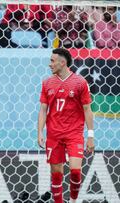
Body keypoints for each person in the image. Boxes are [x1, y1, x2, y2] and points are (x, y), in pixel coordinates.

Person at [37, 48, 95, 203]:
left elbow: (87, 109)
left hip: (74, 134)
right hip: (54, 134)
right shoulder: (47, 83)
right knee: (56, 174)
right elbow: (43, 109)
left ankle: (73, 201)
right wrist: (40, 132)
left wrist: (90, 136)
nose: (50, 64)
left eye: (52, 61)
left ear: (62, 63)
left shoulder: (80, 82)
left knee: (76, 172)